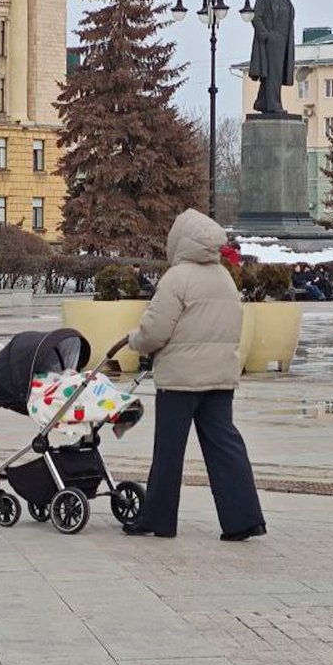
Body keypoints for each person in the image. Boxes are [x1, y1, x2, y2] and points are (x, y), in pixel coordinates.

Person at [122, 209, 266, 542]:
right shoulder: (224, 278)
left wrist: (135, 340)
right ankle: (244, 519)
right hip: (219, 377)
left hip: (180, 380)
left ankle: (158, 519)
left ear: (180, 240)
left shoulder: (177, 278)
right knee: (225, 447)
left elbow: (155, 331)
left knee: (169, 451)